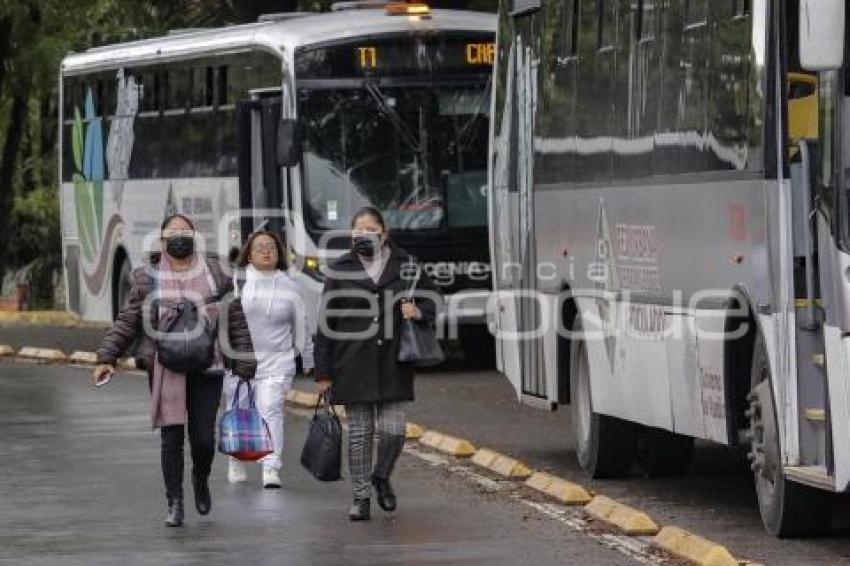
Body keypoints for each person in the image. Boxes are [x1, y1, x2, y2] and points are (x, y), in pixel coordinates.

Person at [92, 213, 256, 527]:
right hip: (165, 366)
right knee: (171, 438)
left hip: (208, 364)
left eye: (185, 231)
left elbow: (234, 316)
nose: (179, 236)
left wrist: (246, 359)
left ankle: (200, 477)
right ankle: (175, 502)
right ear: (162, 239)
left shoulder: (216, 271)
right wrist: (106, 357)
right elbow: (128, 321)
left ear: (194, 236)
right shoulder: (146, 276)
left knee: (204, 439)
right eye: (173, 231)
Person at [314, 206, 439, 521]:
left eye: (371, 228)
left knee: (394, 431)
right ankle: (360, 497)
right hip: (351, 362)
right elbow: (325, 323)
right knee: (360, 432)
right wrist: (323, 372)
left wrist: (419, 311)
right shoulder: (339, 268)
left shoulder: (407, 265)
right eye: (358, 229)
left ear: (384, 233)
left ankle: (381, 475)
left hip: (393, 361)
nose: (364, 233)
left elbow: (433, 298)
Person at [224, 230, 314, 488]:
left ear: (280, 254)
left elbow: (302, 325)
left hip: (279, 361)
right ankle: (237, 460)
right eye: (260, 247)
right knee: (239, 411)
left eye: (272, 248)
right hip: (242, 362)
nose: (266, 251)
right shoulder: (237, 282)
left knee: (271, 409)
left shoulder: (290, 286)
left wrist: (308, 358)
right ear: (249, 254)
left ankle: (271, 467)